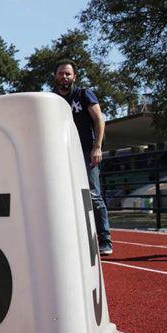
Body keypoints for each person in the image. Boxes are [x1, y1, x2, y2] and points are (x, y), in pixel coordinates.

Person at [53, 60, 112, 255]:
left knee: (93, 196)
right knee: (64, 197)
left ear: (74, 77)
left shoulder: (83, 94)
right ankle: (72, 239)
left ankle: (105, 240)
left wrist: (97, 147)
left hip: (87, 152)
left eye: (68, 74)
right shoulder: (52, 100)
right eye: (61, 73)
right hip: (63, 154)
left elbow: (99, 119)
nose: (64, 77)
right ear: (55, 76)